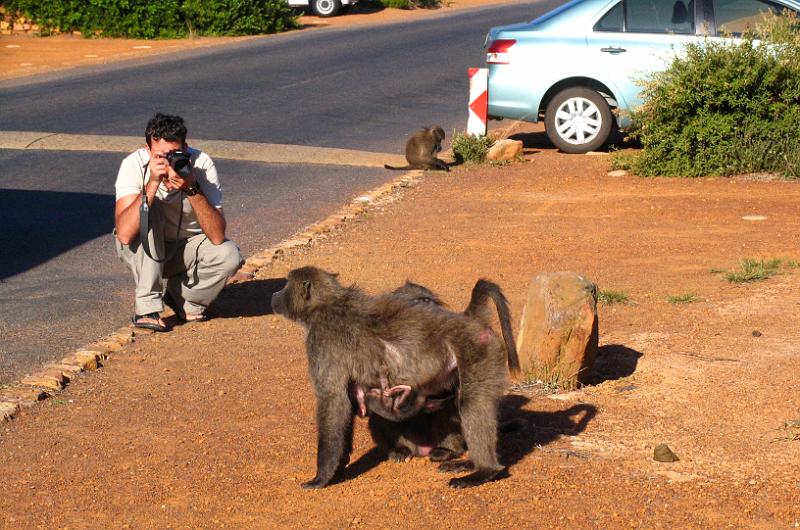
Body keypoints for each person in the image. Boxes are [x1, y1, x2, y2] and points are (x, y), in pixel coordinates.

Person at [114, 113, 243, 332]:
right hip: (141, 249)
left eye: (175, 154)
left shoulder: (201, 164)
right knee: (149, 207)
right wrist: (152, 184)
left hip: (184, 248)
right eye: (161, 156)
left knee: (229, 255)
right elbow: (124, 234)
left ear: (186, 148)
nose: (169, 161)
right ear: (147, 150)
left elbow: (217, 235)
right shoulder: (133, 164)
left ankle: (184, 300)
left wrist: (191, 187)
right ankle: (146, 309)